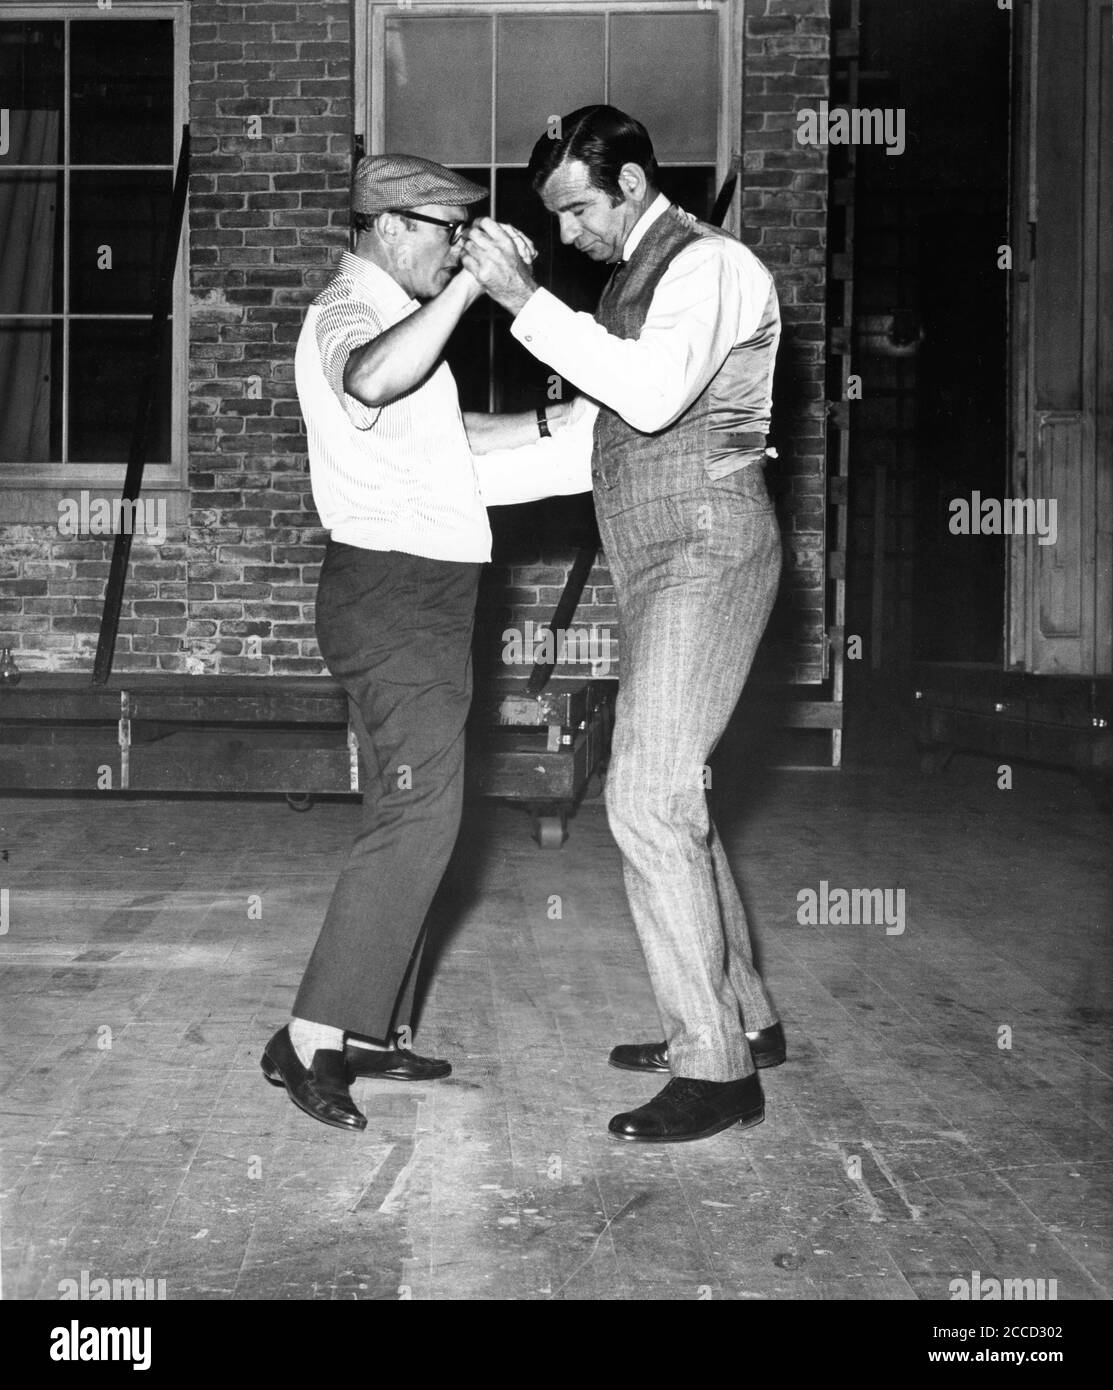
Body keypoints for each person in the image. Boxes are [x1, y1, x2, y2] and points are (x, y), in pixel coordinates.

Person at [461, 106, 787, 1144]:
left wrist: (524, 304)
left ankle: (716, 1066)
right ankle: (744, 1016)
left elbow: (647, 397)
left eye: (576, 208)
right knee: (671, 783)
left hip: (708, 541)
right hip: (659, 556)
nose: (563, 234)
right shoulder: (631, 286)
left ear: (636, 183)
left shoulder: (712, 265)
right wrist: (434, 463)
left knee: (644, 794)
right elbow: (591, 448)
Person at [263, 153, 572, 1132]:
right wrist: (482, 288)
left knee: (409, 808)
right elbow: (371, 374)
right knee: (423, 816)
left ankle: (371, 1024)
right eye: (449, 233)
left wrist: (575, 426)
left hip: (421, 594)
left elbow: (459, 445)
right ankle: (311, 1038)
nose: (458, 251)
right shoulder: (348, 314)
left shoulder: (398, 323)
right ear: (392, 228)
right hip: (394, 595)